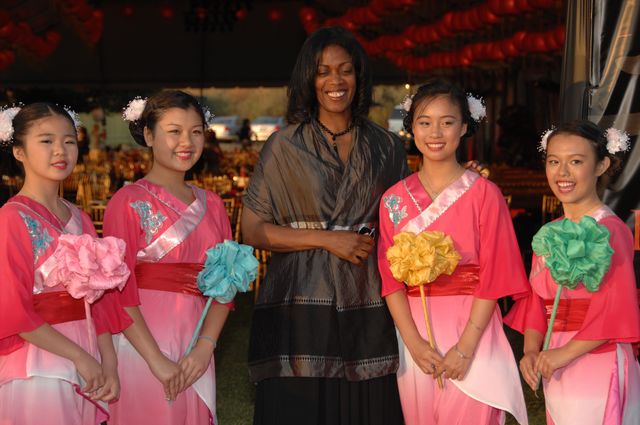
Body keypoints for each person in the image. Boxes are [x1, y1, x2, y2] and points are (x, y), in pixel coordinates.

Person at [242, 27, 407, 425]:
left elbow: (404, 222)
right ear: (308, 78)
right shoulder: (284, 145)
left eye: (345, 70)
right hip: (300, 300)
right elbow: (252, 229)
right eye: (323, 71)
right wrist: (328, 239)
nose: (336, 80)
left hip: (366, 297)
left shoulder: (387, 146)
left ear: (359, 77)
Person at [377, 79, 530, 425]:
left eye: (447, 122)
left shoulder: (485, 194)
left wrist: (466, 347)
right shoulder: (393, 200)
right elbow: (389, 280)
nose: (435, 132)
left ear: (463, 127)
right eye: (424, 122)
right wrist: (413, 343)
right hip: (414, 333)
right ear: (411, 127)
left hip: (473, 329)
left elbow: (496, 275)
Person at [98, 90, 233, 425]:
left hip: (196, 345)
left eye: (196, 131)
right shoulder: (126, 201)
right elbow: (117, 290)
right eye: (174, 131)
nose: (186, 142)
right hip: (142, 346)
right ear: (148, 135)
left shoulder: (214, 205)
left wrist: (205, 347)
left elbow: (227, 283)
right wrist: (155, 360)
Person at [0, 103, 131, 424]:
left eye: (69, 141)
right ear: (19, 151)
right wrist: (79, 356)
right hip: (38, 365)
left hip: (87, 357)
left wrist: (109, 362)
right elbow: (12, 309)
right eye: (46, 141)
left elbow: (99, 301)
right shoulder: (11, 219)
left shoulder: (80, 218)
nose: (60, 150)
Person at [505, 120, 640, 425]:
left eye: (576, 162)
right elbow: (536, 302)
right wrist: (530, 350)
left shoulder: (611, 230)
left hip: (597, 358)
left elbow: (615, 310)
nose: (562, 173)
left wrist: (563, 354)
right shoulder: (548, 234)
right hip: (554, 358)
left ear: (601, 165)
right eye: (554, 162)